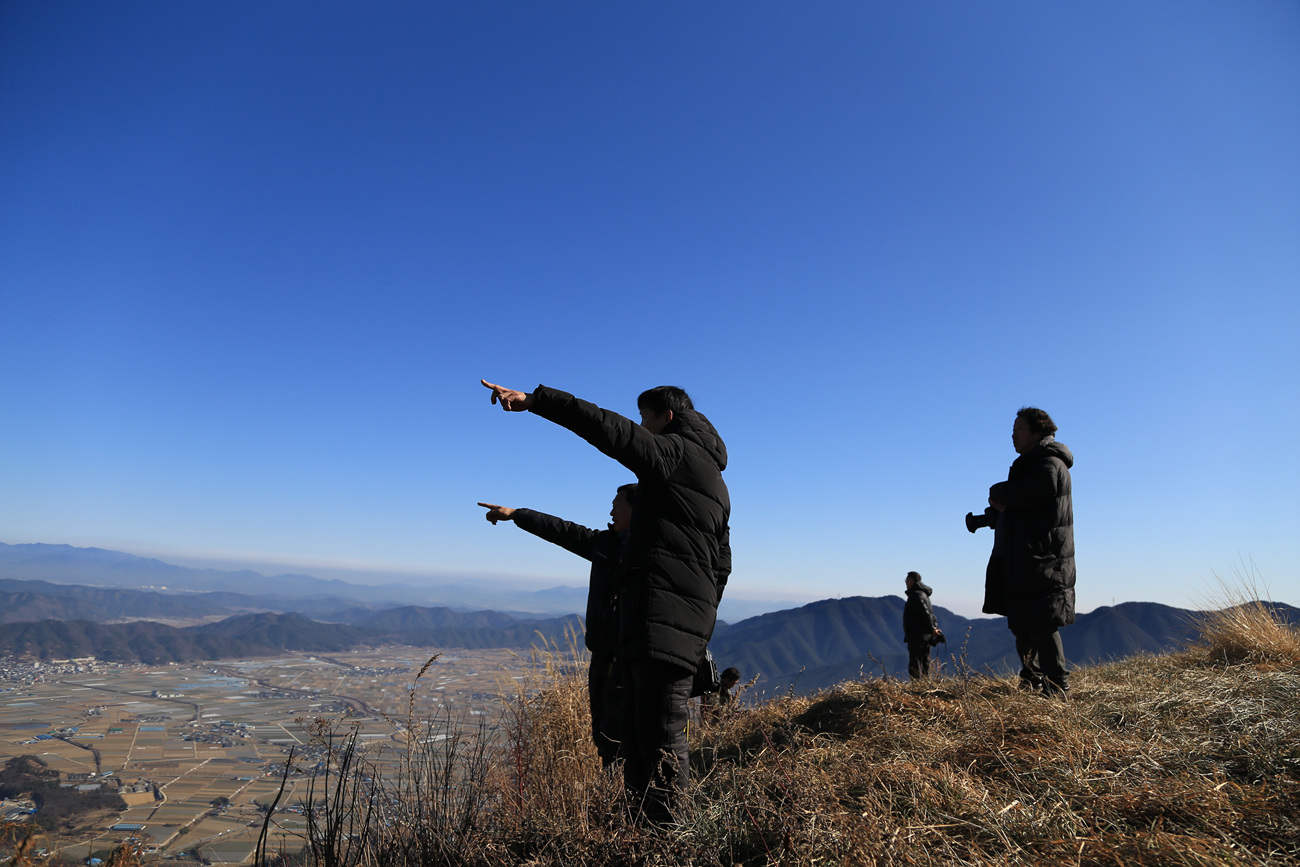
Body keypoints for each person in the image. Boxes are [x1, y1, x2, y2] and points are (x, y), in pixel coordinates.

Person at [480, 379, 731, 823]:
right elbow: (722, 566)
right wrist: (697, 622)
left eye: (645, 417)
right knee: (638, 739)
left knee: (659, 739)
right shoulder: (715, 488)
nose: (641, 425)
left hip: (659, 625)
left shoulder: (674, 454)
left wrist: (536, 401)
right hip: (669, 627)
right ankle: (642, 832)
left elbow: (608, 428)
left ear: (666, 417)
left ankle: (671, 837)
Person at [477, 483, 635, 769]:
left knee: (622, 742)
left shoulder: (653, 553)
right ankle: (612, 791)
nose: (611, 512)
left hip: (629, 664)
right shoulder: (606, 544)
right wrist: (517, 515)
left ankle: (630, 793)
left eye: (617, 506)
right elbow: (562, 531)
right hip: (601, 658)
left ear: (637, 511)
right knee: (603, 737)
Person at [983, 407, 1075, 695]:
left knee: (1041, 623)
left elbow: (1030, 494)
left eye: (1019, 429)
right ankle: (1031, 678)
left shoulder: (1049, 464)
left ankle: (1057, 687)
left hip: (1043, 560)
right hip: (1025, 559)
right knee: (1022, 622)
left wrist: (999, 492)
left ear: (1037, 431)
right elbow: (1026, 507)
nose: (1013, 435)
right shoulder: (1031, 464)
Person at [902, 571, 943, 680]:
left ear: (912, 580)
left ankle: (917, 686)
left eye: (907, 579)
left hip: (917, 635)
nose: (905, 582)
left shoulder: (916, 595)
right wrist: (934, 628)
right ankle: (925, 685)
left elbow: (925, 614)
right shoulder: (924, 595)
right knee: (924, 662)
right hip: (924, 636)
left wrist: (932, 629)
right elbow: (931, 614)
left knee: (915, 664)